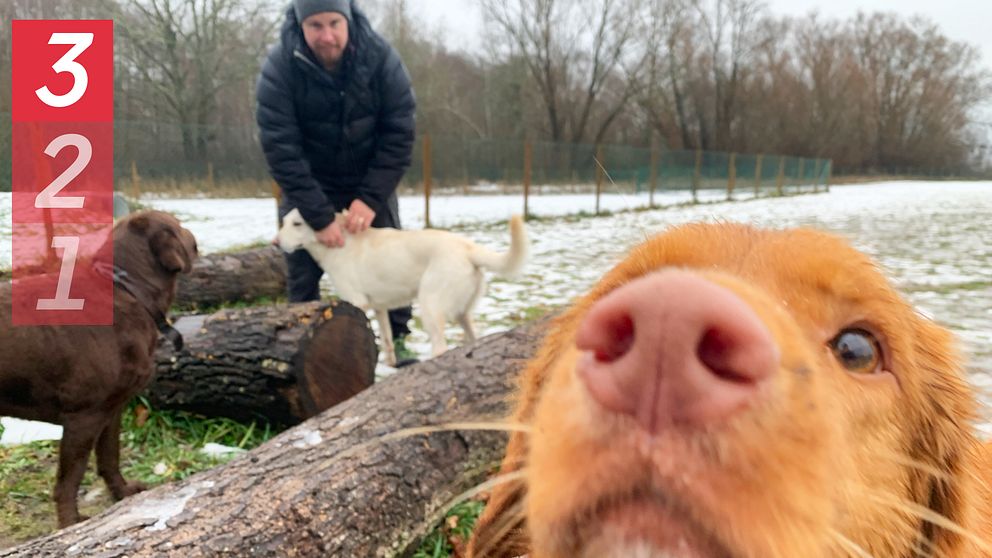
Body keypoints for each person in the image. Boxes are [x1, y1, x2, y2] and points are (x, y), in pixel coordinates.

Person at [256, 0, 418, 365]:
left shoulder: (381, 58)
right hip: (308, 182)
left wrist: (371, 198)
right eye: (315, 25)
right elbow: (280, 148)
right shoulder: (280, 67)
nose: (327, 35)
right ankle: (303, 346)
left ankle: (399, 340)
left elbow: (400, 133)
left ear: (348, 21)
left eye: (334, 23)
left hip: (369, 181)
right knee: (302, 269)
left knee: (391, 260)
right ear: (301, 26)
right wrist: (318, 215)